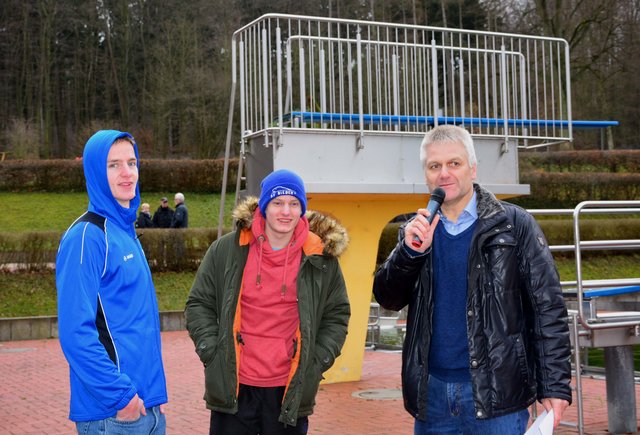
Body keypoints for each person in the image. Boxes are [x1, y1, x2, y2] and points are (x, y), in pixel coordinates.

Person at [373, 125, 572, 433]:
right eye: (434, 166)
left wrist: (555, 385)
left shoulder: (514, 225)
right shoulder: (414, 232)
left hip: (498, 396)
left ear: (473, 168)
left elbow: (548, 309)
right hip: (432, 396)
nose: (444, 173)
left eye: (454, 163)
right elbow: (388, 298)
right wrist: (409, 254)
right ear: (425, 175)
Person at [185, 169, 350, 435]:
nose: (286, 212)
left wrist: (316, 361)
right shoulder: (227, 249)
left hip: (289, 388)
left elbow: (337, 315)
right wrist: (211, 350)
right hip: (235, 386)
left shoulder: (320, 258)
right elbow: (199, 303)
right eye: (277, 202)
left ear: (302, 209)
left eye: (294, 204)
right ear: (263, 206)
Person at [56, 130, 168, 434]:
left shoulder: (126, 233)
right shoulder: (86, 237)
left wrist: (150, 396)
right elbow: (75, 333)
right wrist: (122, 397)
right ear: (95, 171)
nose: (126, 172)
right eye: (113, 165)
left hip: (148, 407)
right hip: (113, 415)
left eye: (131, 162)